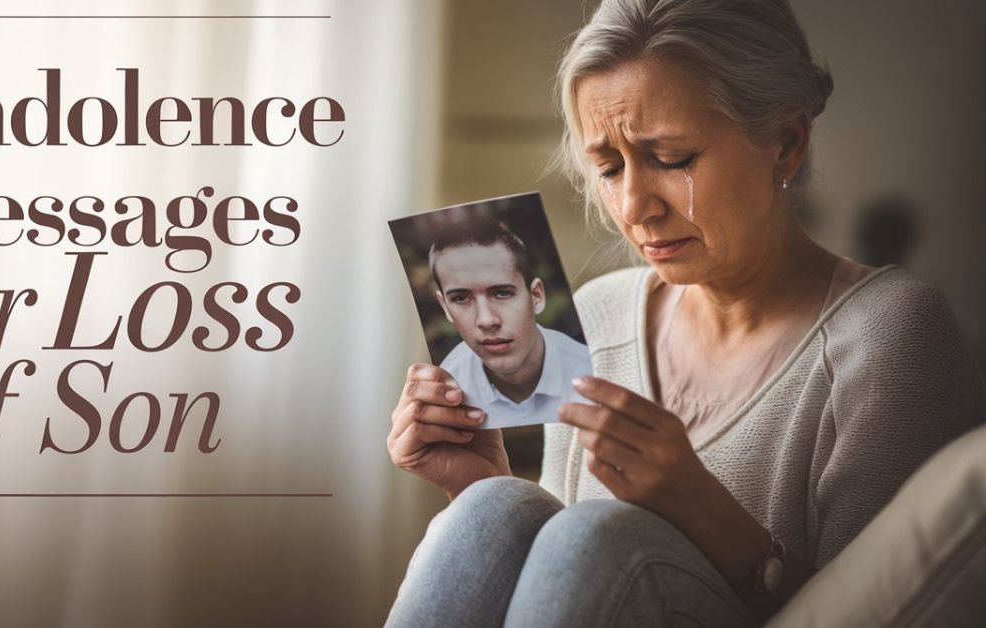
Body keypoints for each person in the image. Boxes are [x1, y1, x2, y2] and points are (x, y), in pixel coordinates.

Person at [383, 0, 986, 626]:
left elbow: (897, 611)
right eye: (610, 168)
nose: (635, 207)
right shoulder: (597, 316)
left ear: (785, 143)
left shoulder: (893, 334)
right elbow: (572, 591)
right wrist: (481, 479)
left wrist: (701, 508)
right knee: (494, 508)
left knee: (595, 535)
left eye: (672, 160)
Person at [428, 220, 593, 429]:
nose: (486, 320)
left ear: (536, 297)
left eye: (502, 293)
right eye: (461, 298)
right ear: (445, 307)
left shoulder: (591, 371)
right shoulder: (448, 389)